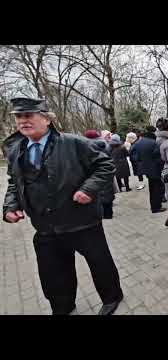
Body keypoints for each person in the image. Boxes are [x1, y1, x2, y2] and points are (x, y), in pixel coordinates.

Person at [2, 97, 123, 315]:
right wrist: (10, 206)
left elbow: (105, 165)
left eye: (28, 115)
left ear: (47, 119)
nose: (22, 121)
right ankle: (64, 307)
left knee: (100, 264)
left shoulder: (73, 143)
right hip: (45, 227)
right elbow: (14, 181)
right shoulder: (16, 149)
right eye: (19, 116)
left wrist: (88, 189)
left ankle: (112, 297)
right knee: (53, 274)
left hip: (82, 222)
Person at [132, 125, 167, 213]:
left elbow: (133, 155)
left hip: (146, 169)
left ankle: (155, 206)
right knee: (156, 188)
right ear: (153, 132)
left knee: (152, 188)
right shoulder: (153, 142)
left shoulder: (139, 142)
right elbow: (158, 157)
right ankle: (156, 207)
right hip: (155, 169)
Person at [84, 130, 117, 219]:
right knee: (108, 193)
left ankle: (101, 214)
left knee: (97, 194)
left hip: (93, 176)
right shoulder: (106, 146)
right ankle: (108, 214)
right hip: (106, 174)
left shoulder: (86, 148)